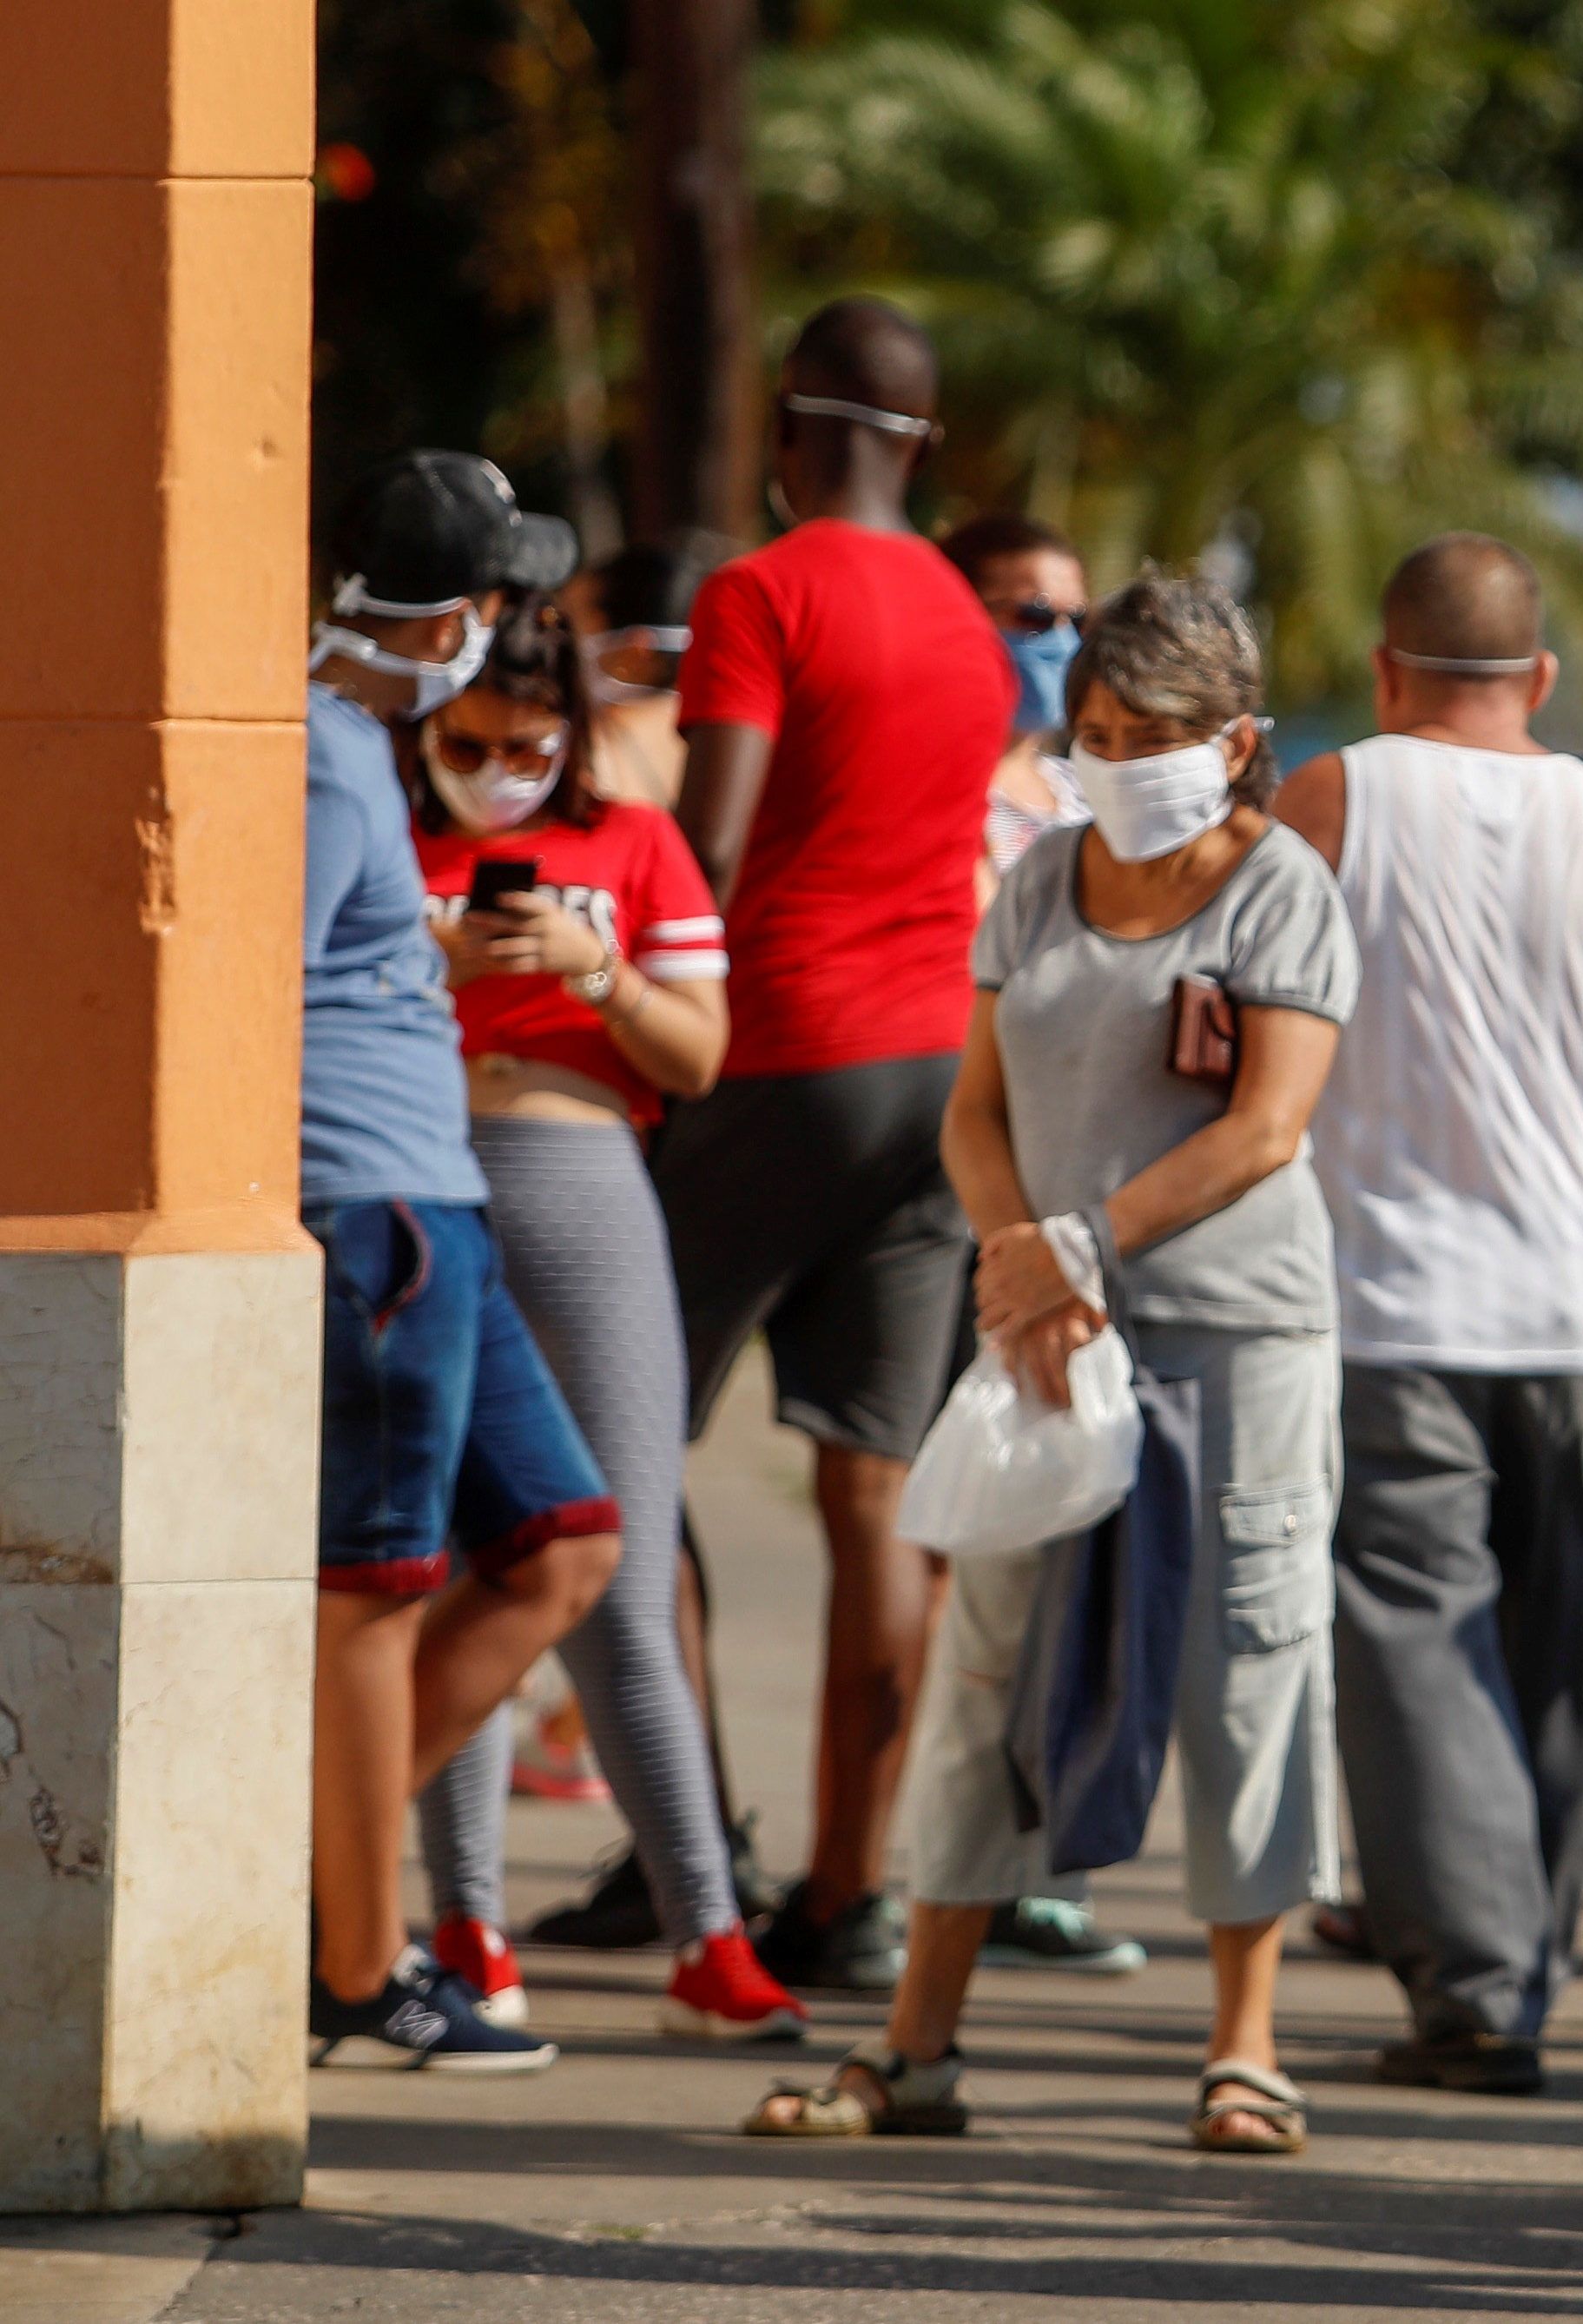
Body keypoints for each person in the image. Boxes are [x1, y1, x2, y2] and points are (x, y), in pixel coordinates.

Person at [744, 569, 1357, 2154]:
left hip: (1233, 1339)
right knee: (989, 1675)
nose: (1115, 756)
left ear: (1235, 743)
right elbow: (971, 1109)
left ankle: (1245, 2047)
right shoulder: (1035, 885)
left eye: (1151, 733)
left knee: (1248, 1666)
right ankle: (914, 2049)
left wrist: (1086, 1242)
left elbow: (1265, 1125)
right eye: (1091, 729)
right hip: (1044, 1340)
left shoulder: (1281, 889)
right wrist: (1024, 1264)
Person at [1277, 531, 1583, 2096]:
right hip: (1574, 1311)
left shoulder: (1333, 797)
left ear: (1382, 668)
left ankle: (1480, 1991)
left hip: (1387, 1299)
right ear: (1544, 679)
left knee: (1411, 1640)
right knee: (1542, 1648)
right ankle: (1518, 1962)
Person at [661, 296, 1019, 1995]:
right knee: (876, 1496)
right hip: (936, 1072)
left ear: (790, 430)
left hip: (777, 1055)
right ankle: (853, 1898)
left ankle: (694, 1870)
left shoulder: (759, 592)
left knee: (618, 1447)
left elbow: (707, 846)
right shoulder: (966, 619)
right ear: (923, 444)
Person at [399, 594, 803, 2046]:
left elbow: (698, 1052)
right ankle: (464, 1923)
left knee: (618, 1568)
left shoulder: (633, 844)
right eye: (465, 744)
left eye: (526, 744)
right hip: (423, 1185)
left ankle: (707, 1925)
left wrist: (596, 971)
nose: (496, 769)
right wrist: (427, 963)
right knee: (453, 1569)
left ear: (572, 733)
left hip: (583, 1178)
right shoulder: (390, 836)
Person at [300, 450, 618, 2071]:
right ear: (456, 615)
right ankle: (352, 1964)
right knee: (368, 1597)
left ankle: (309, 1893)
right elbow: (247, 996)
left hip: (437, 1209)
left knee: (563, 1541)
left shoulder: (355, 745)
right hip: (378, 1218)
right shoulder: (312, 753)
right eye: (499, 600)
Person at [941, 512, 1096, 881]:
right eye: (1035, 614)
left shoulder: (1091, 794)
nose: (1063, 641)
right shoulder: (925, 794)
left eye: (1076, 620)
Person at [561, 538, 716, 809]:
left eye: (568, 619)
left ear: (635, 654)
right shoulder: (719, 738)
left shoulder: (591, 753)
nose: (554, 637)